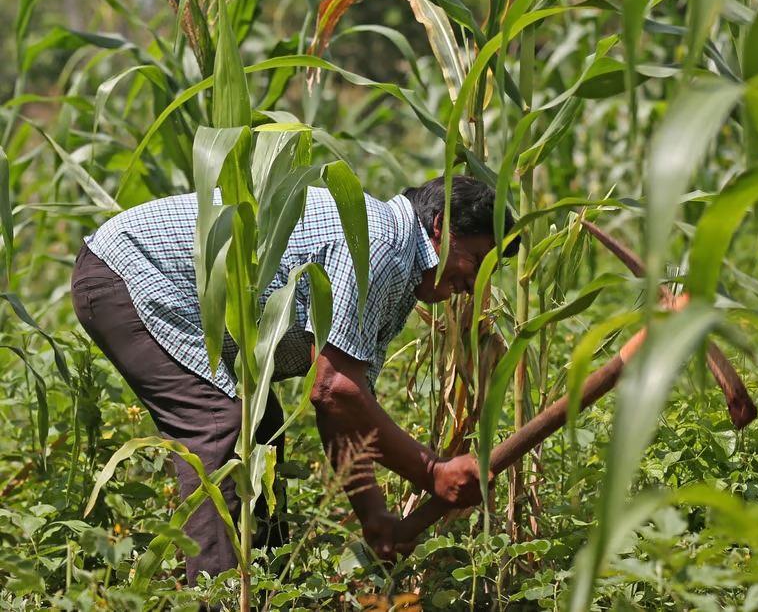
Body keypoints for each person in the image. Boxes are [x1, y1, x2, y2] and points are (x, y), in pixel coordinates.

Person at [71, 174, 519, 586]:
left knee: (260, 423)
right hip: (130, 271)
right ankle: (219, 598)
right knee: (217, 424)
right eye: (476, 260)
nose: (474, 282)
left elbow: (344, 405)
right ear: (441, 227)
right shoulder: (381, 240)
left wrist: (374, 517)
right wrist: (432, 471)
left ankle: (265, 582)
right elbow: (335, 391)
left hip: (131, 273)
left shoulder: (397, 266)